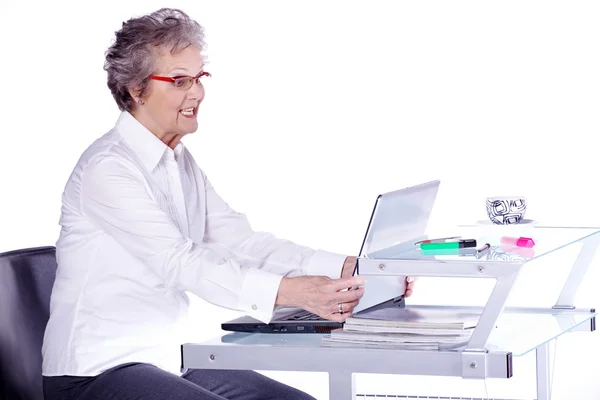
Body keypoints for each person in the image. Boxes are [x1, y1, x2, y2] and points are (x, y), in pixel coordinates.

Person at [41, 8, 414, 400]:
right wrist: (290, 292)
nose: (197, 93)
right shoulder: (108, 169)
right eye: (180, 80)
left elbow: (240, 242)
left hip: (169, 362)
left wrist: (345, 269)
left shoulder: (177, 162)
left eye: (199, 77)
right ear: (136, 89)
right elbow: (179, 262)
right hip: (97, 373)